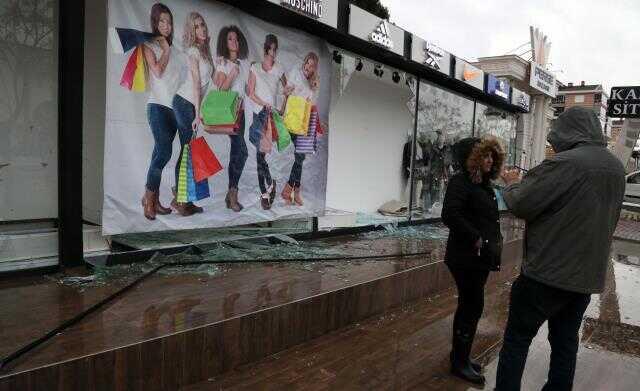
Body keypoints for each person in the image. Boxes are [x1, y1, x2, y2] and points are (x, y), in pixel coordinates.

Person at [495, 106, 626, 391]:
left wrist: (512, 184)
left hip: (546, 276)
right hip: (584, 279)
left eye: (556, 135)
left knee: (517, 339)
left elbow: (522, 203)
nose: (553, 142)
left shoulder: (564, 163)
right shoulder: (616, 168)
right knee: (566, 344)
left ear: (569, 131)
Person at [441, 136, 505, 385]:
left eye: (492, 156)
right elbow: (450, 214)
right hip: (465, 257)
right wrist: (476, 237)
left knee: (472, 306)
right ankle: (459, 363)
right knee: (471, 306)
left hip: (478, 257)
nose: (489, 160)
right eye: (485, 156)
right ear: (474, 158)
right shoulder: (462, 182)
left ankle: (461, 357)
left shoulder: (483, 184)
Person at [140, 3, 185, 220]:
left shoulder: (177, 51)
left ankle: (154, 199)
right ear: (155, 23)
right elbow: (157, 72)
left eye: (169, 22)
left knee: (158, 153)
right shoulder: (149, 45)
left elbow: (180, 82)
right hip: (157, 106)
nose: (166, 26)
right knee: (165, 152)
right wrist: (165, 49)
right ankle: (148, 199)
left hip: (174, 109)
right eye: (161, 21)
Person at [171, 12, 214, 216]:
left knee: (187, 150)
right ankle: (180, 199)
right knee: (187, 149)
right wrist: (198, 113)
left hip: (193, 104)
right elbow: (196, 83)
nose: (202, 29)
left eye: (203, 24)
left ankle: (183, 198)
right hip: (183, 102)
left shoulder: (204, 51)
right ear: (192, 30)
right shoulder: (193, 52)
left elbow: (205, 86)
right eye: (197, 26)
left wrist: (201, 110)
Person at [247, 34, 292, 210]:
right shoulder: (255, 68)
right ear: (265, 48)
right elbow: (250, 93)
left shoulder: (279, 69)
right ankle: (267, 188)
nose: (272, 52)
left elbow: (287, 90)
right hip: (259, 114)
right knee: (259, 155)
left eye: (275, 49)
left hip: (269, 116)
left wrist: (282, 108)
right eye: (270, 49)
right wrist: (264, 104)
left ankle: (266, 190)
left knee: (261, 155)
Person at [213, 25, 250, 212]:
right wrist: (231, 72)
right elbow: (221, 90)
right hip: (229, 113)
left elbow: (247, 91)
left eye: (236, 38)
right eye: (230, 39)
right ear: (225, 43)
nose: (234, 42)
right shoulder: (222, 63)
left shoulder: (243, 64)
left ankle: (231, 194)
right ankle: (232, 193)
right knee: (242, 152)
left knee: (237, 152)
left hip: (241, 114)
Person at [281, 52, 320, 206]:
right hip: (292, 119)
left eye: (312, 66)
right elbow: (286, 92)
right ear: (304, 62)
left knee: (300, 157)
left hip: (304, 122)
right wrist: (288, 91)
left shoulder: (314, 81)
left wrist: (315, 89)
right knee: (300, 157)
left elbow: (312, 103)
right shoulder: (295, 73)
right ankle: (291, 189)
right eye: (307, 63)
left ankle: (293, 191)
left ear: (314, 69)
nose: (308, 67)